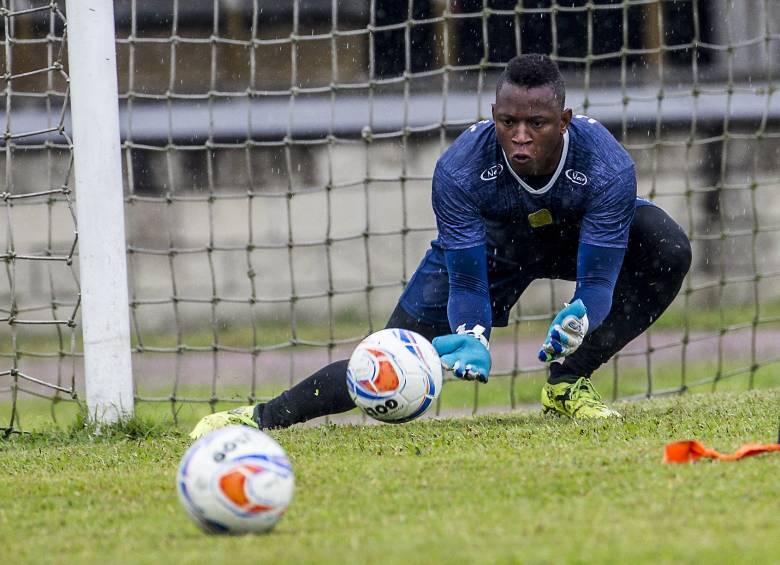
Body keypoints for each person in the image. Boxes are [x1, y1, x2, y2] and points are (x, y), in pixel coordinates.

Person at [190, 53, 691, 439]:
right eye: (508, 122)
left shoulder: (608, 167)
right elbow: (469, 278)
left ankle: (567, 383)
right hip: (494, 251)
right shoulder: (459, 169)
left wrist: (583, 312)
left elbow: (599, 279)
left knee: (669, 248)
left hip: (572, 240)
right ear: (493, 114)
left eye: (536, 125)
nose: (519, 137)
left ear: (564, 120)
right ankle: (259, 418)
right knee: (382, 359)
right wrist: (471, 332)